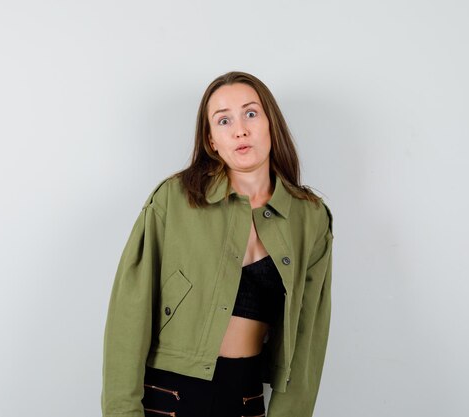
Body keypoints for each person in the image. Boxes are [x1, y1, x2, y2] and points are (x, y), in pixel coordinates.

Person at [101, 71, 334, 417]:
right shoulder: (175, 200)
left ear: (271, 124)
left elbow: (308, 336)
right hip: (169, 395)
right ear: (211, 140)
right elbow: (129, 313)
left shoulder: (310, 217)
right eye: (223, 120)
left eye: (250, 114)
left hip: (246, 397)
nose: (239, 129)